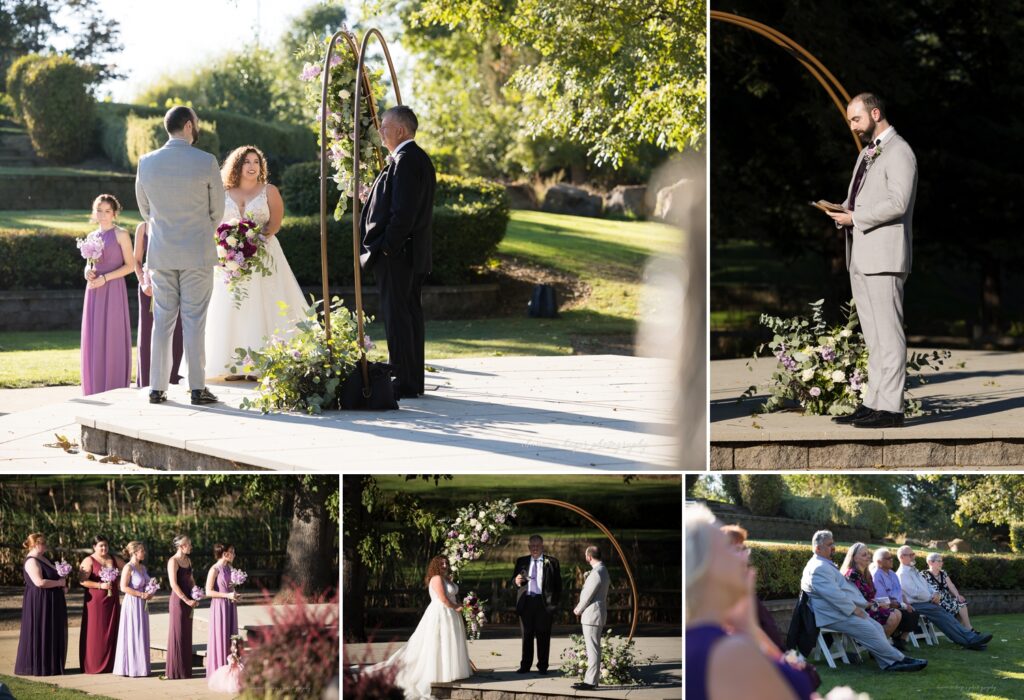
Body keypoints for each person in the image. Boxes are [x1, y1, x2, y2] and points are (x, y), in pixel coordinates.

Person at [824, 93, 917, 429]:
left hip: (885, 257)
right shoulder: (867, 153)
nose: (853, 126)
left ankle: (891, 409)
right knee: (873, 337)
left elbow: (898, 203)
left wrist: (856, 217)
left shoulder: (900, 151)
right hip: (862, 257)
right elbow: (863, 201)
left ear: (875, 113)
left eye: (856, 119)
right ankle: (872, 403)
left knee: (889, 335)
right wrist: (843, 212)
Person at [135, 105, 224, 406]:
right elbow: (217, 212)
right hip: (197, 251)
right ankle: (197, 388)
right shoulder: (206, 161)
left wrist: (164, 231)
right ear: (188, 125)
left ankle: (157, 388)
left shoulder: (146, 162)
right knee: (194, 320)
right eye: (196, 123)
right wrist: (199, 231)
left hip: (161, 251)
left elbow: (145, 211)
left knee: (163, 321)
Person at [686, 506, 813, 700]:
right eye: (729, 548)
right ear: (708, 567)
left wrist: (746, 626)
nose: (743, 557)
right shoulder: (731, 652)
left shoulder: (696, 641)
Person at [203, 146, 307, 379]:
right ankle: (233, 365)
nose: (252, 166)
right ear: (236, 166)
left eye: (256, 162)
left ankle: (263, 364)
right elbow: (213, 224)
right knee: (232, 307)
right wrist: (230, 248)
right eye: (246, 162)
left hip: (264, 255)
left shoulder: (269, 191)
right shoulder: (222, 191)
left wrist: (252, 243)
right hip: (229, 261)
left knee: (265, 305)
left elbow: (275, 224)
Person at [359, 105, 437, 398]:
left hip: (399, 256)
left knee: (399, 317)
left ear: (401, 130)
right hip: (409, 255)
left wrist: (386, 249)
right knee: (408, 316)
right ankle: (411, 379)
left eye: (385, 127)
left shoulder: (406, 161)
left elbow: (403, 214)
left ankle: (404, 380)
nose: (380, 132)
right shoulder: (412, 159)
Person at [800, 531, 925, 672]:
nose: (834, 547)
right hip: (833, 615)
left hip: (840, 611)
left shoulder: (823, 564)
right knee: (870, 628)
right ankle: (898, 660)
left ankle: (890, 661)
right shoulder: (818, 568)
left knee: (876, 626)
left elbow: (843, 592)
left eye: (833, 543)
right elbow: (835, 596)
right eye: (830, 544)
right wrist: (855, 609)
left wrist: (864, 605)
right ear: (818, 548)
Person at [368, 555, 471, 698]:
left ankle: (450, 670)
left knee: (449, 641)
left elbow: (452, 595)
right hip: (441, 613)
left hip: (451, 613)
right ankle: (437, 672)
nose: (445, 565)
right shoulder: (436, 579)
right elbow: (443, 599)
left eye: (446, 562)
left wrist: (462, 605)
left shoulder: (446, 578)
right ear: (435, 565)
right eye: (441, 563)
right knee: (437, 642)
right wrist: (457, 607)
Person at [80, 194, 133, 396]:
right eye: (99, 210)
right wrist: (87, 271)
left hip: (113, 290)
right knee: (94, 336)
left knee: (112, 334)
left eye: (107, 211)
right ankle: (94, 386)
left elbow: (129, 266)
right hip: (94, 290)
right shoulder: (92, 236)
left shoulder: (121, 234)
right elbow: (89, 263)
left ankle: (114, 386)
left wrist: (106, 278)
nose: (102, 215)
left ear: (114, 213)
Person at [895, 546, 991, 650]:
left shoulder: (914, 570)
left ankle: (970, 641)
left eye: (913, 554)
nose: (914, 556)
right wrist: (932, 596)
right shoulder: (902, 574)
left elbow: (927, 586)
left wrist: (936, 593)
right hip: (914, 604)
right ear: (901, 557)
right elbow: (915, 593)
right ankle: (970, 639)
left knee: (945, 615)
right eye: (911, 555)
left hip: (925, 602)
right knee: (942, 614)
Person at [133, 220, 184, 388]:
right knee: (148, 333)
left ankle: (174, 380)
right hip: (148, 289)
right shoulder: (143, 227)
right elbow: (137, 261)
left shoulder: (175, 221)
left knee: (176, 332)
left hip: (173, 286)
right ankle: (148, 383)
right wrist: (143, 283)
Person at [14, 533, 68, 676]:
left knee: (51, 630)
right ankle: (38, 665)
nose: (45, 546)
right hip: (40, 601)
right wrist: (59, 583)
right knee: (41, 629)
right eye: (43, 543)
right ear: (35, 544)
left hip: (52, 599)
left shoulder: (43, 558)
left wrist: (62, 585)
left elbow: (53, 575)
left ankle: (51, 665)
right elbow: (39, 582)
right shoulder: (31, 561)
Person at [512, 534, 562, 674]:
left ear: (542, 547)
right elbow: (514, 580)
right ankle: (525, 666)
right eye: (532, 546)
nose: (534, 548)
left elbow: (558, 586)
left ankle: (542, 666)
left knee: (543, 635)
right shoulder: (521, 561)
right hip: (526, 602)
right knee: (526, 635)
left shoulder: (552, 562)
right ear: (528, 547)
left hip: (543, 603)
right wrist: (516, 581)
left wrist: (553, 604)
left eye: (537, 546)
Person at [839, 543, 904, 641]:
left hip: (870, 607)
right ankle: (879, 645)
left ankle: (880, 645)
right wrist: (878, 604)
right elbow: (857, 601)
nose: (868, 556)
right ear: (855, 558)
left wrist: (881, 603)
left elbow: (871, 597)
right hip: (859, 610)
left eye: (868, 553)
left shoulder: (866, 573)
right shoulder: (852, 574)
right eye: (864, 555)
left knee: (897, 613)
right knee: (892, 617)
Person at [78, 535, 123, 673]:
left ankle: (112, 664)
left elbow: (129, 568)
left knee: (112, 630)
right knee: (95, 631)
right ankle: (94, 664)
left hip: (112, 600)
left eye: (106, 545)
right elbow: (82, 581)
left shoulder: (114, 559)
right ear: (94, 547)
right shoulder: (88, 560)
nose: (104, 548)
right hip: (96, 601)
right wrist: (100, 585)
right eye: (100, 546)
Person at [113, 540, 154, 677]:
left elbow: (148, 583)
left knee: (141, 633)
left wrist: (151, 591)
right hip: (132, 603)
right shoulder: (128, 567)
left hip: (142, 604)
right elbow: (123, 587)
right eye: (142, 551)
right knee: (133, 632)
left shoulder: (143, 568)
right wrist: (141, 594)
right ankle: (130, 667)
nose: (144, 553)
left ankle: (141, 667)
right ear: (135, 552)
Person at [572, 545, 610, 691]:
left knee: (592, 649)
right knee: (594, 648)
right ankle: (591, 679)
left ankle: (590, 682)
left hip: (592, 615)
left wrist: (578, 609)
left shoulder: (596, 573)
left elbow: (588, 594)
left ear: (589, 557)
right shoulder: (603, 570)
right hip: (597, 614)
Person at [868, 547, 920, 649]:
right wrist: (903, 605)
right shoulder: (877, 575)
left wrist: (907, 604)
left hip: (899, 604)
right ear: (879, 561)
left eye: (891, 557)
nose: (891, 559)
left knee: (914, 612)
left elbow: (900, 592)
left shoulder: (892, 574)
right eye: (888, 558)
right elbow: (883, 599)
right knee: (907, 614)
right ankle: (891, 639)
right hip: (887, 605)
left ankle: (901, 640)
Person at [166, 534, 199, 679]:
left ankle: (185, 670)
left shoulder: (188, 560)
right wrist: (186, 600)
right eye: (189, 544)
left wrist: (196, 593)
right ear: (181, 546)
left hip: (189, 600)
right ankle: (175, 671)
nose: (191, 547)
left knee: (186, 634)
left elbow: (191, 580)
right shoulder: (173, 561)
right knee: (178, 634)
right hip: (179, 601)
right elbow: (173, 584)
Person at [205, 543, 239, 680]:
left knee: (231, 637)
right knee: (221, 635)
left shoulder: (229, 568)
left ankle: (231, 668)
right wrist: (227, 595)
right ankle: (218, 669)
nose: (234, 555)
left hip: (230, 605)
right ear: (225, 554)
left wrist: (234, 593)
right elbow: (208, 591)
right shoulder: (215, 569)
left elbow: (229, 587)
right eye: (232, 552)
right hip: (219, 607)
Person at [922, 552, 974, 630]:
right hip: (936, 601)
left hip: (947, 599)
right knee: (957, 605)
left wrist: (957, 595)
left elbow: (951, 586)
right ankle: (963, 630)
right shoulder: (924, 574)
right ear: (930, 562)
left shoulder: (943, 573)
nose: (941, 563)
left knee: (961, 602)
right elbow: (923, 590)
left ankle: (965, 628)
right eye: (939, 561)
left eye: (941, 561)